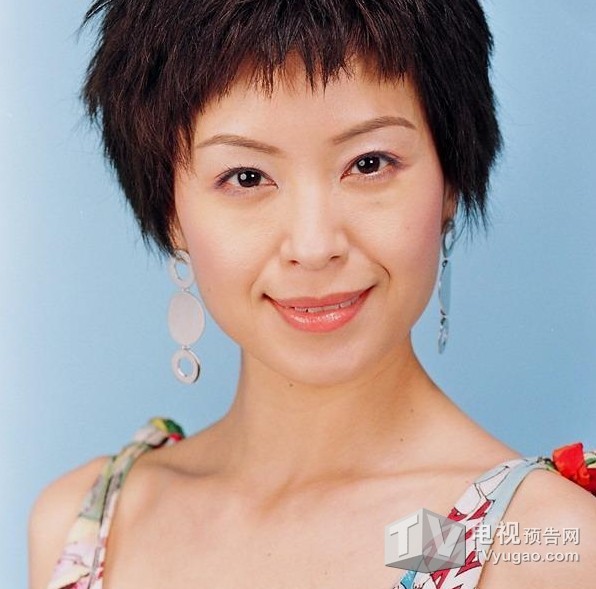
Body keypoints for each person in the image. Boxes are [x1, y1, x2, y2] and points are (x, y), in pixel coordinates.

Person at [28, 1, 596, 588]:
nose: (314, 245)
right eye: (246, 177)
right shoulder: (88, 524)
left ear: (449, 180)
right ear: (170, 211)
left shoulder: (538, 544)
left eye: (369, 164)